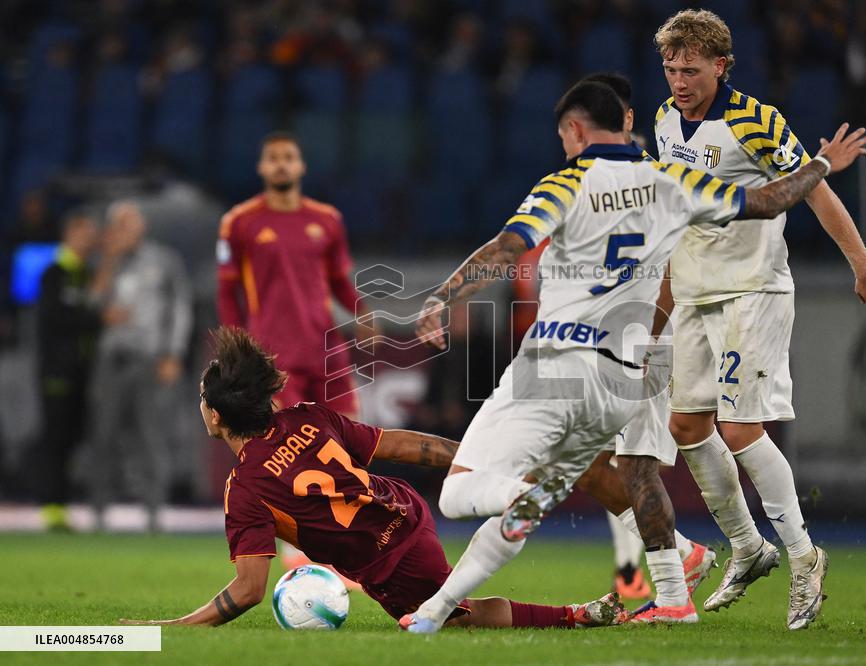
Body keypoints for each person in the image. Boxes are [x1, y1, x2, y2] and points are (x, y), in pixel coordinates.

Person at [403, 79, 866, 632]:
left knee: (460, 494)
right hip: (627, 369)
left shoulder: (567, 182)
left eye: (564, 135)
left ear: (575, 130)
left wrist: (443, 296)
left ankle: (529, 491)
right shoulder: (671, 179)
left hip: (555, 363)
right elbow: (770, 200)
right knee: (638, 468)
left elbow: (506, 249)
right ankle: (672, 590)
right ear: (626, 123)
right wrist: (820, 162)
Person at [118, 327, 626, 630]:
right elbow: (400, 445)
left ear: (216, 417)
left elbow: (250, 590)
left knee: (456, 618)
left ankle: (578, 615)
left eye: (203, 401)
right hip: (405, 510)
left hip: (388, 562)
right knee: (449, 606)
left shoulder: (245, 488)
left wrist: (180, 625)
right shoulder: (309, 417)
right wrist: (472, 458)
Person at [650, 9, 866, 630]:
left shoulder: (754, 121)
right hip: (698, 292)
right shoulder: (662, 122)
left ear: (721, 65)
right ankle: (749, 547)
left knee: (739, 428)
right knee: (684, 425)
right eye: (671, 68)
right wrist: (660, 308)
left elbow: (815, 188)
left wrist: (861, 265)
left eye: (691, 69)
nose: (679, 80)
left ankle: (805, 557)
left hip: (752, 290)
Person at [570, 71, 717, 602]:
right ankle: (682, 555)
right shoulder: (585, 182)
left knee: (631, 462)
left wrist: (648, 336)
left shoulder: (659, 182)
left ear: (629, 121)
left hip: (642, 339)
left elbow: (680, 263)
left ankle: (676, 590)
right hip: (603, 338)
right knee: (583, 462)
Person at [216, 130, 375, 573]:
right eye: (274, 158)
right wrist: (236, 351)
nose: (282, 164)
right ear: (262, 167)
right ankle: (296, 548)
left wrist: (361, 311)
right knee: (286, 452)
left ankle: (355, 549)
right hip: (272, 356)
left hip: (326, 348)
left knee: (347, 447)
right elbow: (228, 292)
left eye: (289, 157)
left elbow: (339, 279)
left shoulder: (327, 220)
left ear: (301, 166)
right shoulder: (240, 222)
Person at [88, 201, 192, 532]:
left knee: (150, 435)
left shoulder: (163, 260)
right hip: (110, 358)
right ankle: (99, 511)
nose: (124, 230)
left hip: (148, 358)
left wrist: (173, 353)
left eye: (130, 223)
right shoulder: (102, 260)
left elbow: (179, 307)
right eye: (118, 224)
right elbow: (91, 303)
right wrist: (108, 260)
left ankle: (153, 511)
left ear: (142, 226)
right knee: (103, 435)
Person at [36, 211, 103, 530]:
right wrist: (100, 319)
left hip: (81, 371)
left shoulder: (84, 273)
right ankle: (51, 506)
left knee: (72, 436)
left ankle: (61, 502)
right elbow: (56, 320)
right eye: (86, 233)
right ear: (71, 234)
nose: (91, 240)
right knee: (56, 436)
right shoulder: (54, 273)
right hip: (57, 371)